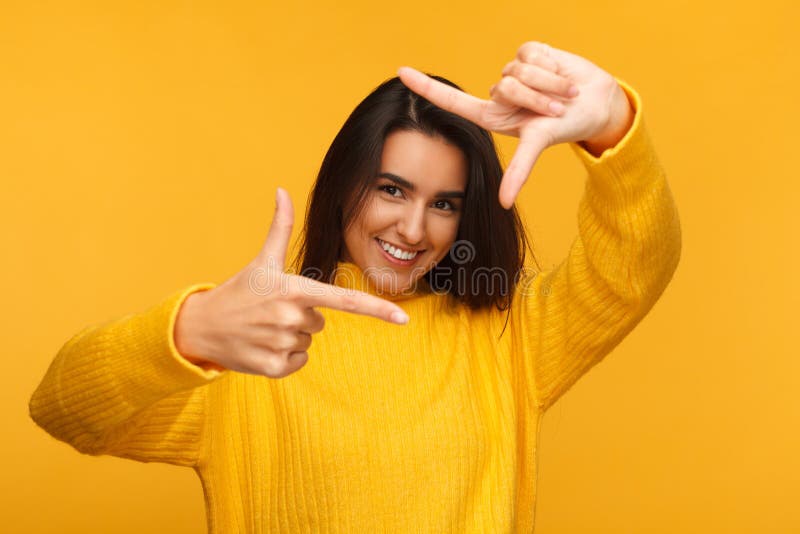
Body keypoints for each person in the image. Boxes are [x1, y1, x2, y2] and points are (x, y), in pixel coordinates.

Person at [29, 42, 682, 532]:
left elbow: (633, 266)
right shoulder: (253, 342)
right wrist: (190, 330)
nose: (413, 227)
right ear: (345, 183)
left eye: (444, 203)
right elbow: (63, 409)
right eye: (392, 189)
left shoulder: (511, 339)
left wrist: (613, 125)